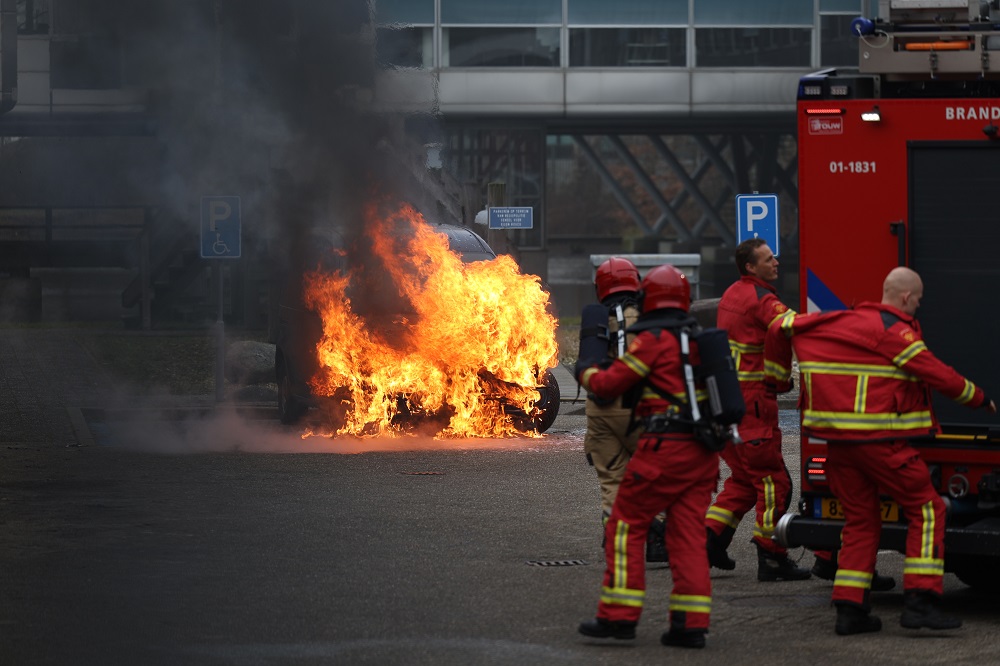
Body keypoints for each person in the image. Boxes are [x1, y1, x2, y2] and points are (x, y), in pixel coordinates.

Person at [767, 266, 996, 635]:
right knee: (928, 510)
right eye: (918, 301)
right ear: (906, 298)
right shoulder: (895, 331)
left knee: (861, 521)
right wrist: (980, 399)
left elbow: (779, 328)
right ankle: (921, 602)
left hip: (840, 447)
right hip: (881, 445)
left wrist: (776, 378)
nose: (918, 306)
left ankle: (850, 610)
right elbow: (938, 374)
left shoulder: (837, 320)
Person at [576, 265, 719, 649]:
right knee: (687, 536)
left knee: (625, 525)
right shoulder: (701, 338)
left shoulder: (654, 340)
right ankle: (689, 626)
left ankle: (618, 618)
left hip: (665, 450)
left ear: (649, 297)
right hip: (703, 455)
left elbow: (610, 382)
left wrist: (586, 372)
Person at [704, 238, 811, 581]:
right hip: (753, 406)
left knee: (745, 482)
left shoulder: (733, 293)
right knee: (773, 483)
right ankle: (772, 558)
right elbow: (789, 325)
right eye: (767, 259)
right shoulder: (762, 300)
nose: (776, 262)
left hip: (727, 403)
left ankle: (709, 540)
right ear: (751, 267)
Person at [581, 257, 667, 562]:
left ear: (599, 287)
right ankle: (657, 541)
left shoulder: (595, 316)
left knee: (612, 481)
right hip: (640, 409)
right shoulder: (649, 315)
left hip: (601, 411)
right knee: (655, 476)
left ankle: (618, 543)